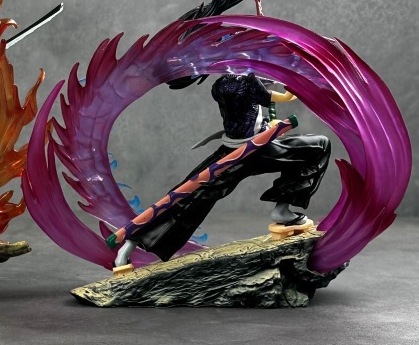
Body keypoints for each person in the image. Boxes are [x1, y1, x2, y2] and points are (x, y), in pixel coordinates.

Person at [126, 73, 330, 262]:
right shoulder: (248, 82)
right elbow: (285, 97)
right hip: (254, 150)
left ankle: (132, 245)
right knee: (319, 147)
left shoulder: (221, 84)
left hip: (233, 149)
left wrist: (267, 125)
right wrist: (294, 82)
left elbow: (245, 112)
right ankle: (283, 209)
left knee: (190, 193)